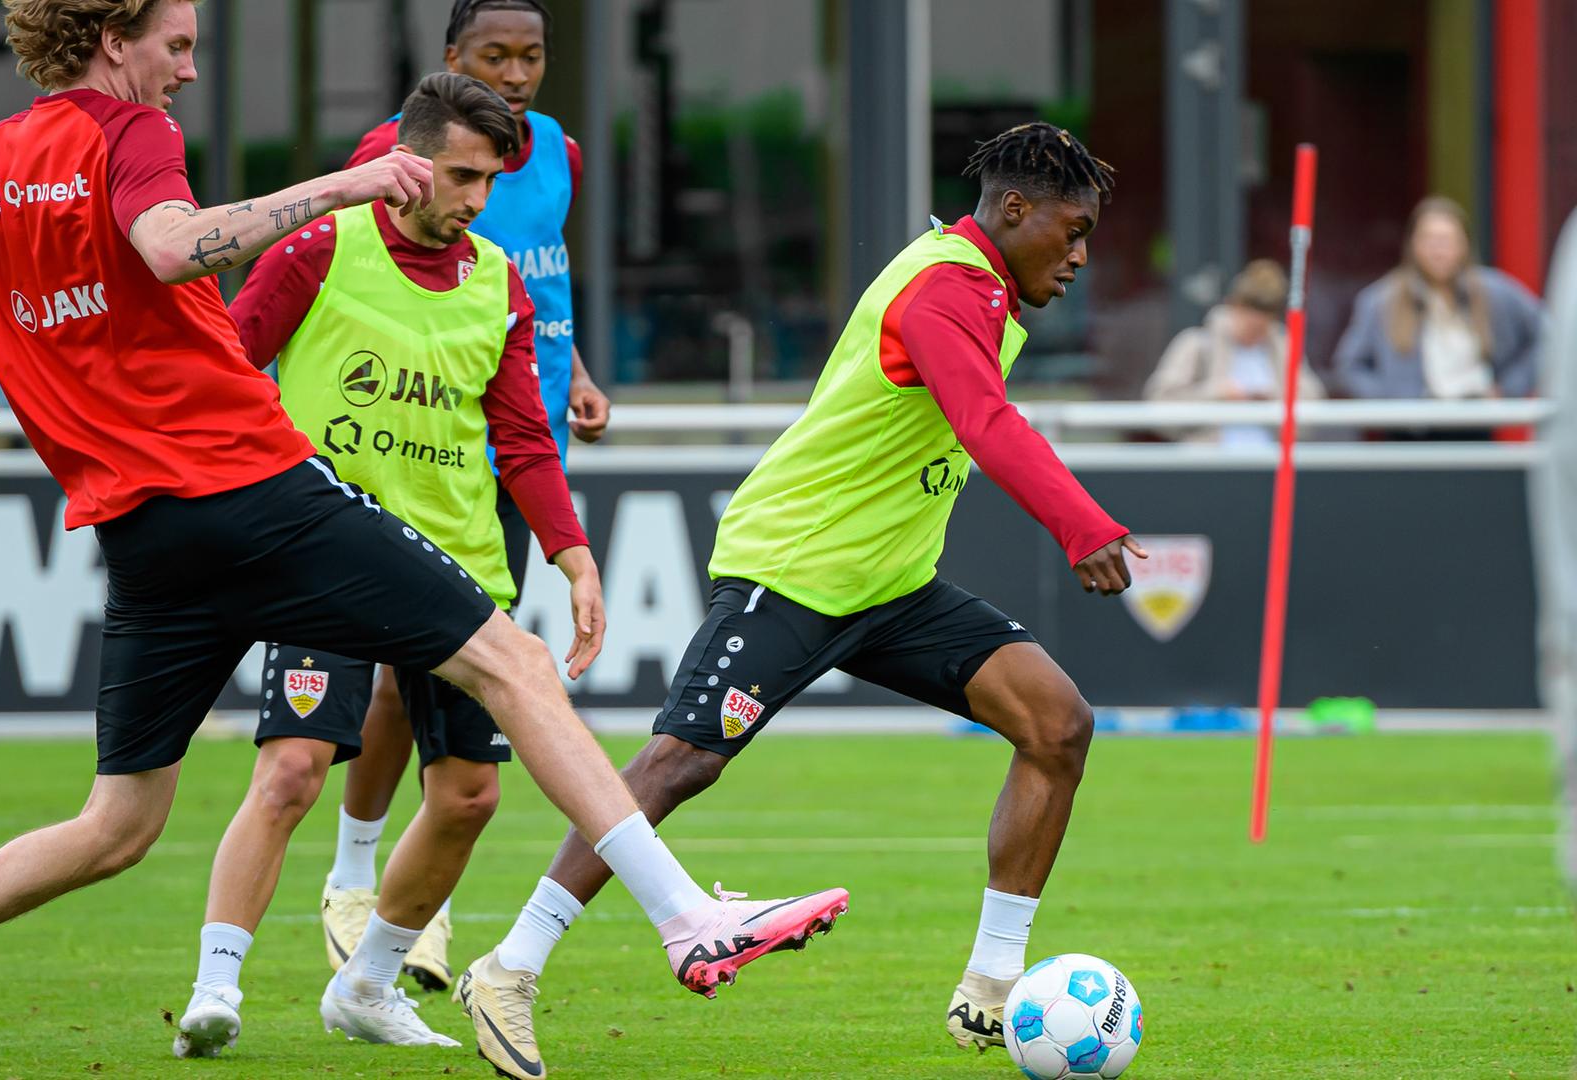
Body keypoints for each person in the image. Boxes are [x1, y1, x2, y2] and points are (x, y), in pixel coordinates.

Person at [0, 4, 844, 1078]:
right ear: (114, 39)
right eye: (179, 45)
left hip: (142, 531)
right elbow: (167, 246)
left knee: (116, 824)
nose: (190, 72)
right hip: (249, 485)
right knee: (513, 664)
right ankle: (682, 920)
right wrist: (343, 183)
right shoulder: (128, 133)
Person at [453, 122, 1145, 1079]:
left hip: (892, 585)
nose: (1078, 259)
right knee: (676, 766)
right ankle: (509, 967)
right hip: (795, 567)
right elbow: (983, 420)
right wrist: (1083, 525)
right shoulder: (944, 287)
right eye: (1070, 233)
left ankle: (990, 989)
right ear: (1013, 209)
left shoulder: (982, 288)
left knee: (1058, 724)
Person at [169, 72, 603, 1056]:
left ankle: (367, 985)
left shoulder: (497, 279)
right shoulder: (320, 246)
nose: (474, 200)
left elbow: (524, 439)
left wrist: (573, 559)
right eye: (459, 175)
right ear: (401, 161)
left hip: (459, 575)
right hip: (329, 558)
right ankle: (216, 988)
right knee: (288, 772)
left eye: (488, 182)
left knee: (470, 797)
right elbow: (230, 366)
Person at [318, 0, 608, 995]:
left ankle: (399, 903)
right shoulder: (398, 149)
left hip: (517, 450)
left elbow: (536, 289)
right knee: (411, 678)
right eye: (496, 55)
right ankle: (360, 877)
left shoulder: (556, 151)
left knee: (455, 693)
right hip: (415, 454)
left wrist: (575, 372)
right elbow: (361, 264)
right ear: (453, 61)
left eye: (532, 55)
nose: (518, 71)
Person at [1333, 196, 1541, 404]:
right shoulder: (1381, 300)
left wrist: (1510, 387)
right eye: (1430, 240)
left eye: (1447, 240)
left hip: (1478, 418)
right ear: (1413, 244)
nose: (1438, 251)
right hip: (1412, 427)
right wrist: (1390, 400)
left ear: (1464, 244)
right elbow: (1349, 366)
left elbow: (1547, 338)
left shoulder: (1496, 292)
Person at [1143, 258, 1324, 444]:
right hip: (1211, 463)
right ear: (1233, 306)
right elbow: (1159, 404)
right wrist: (1216, 394)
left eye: (1261, 329)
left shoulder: (1282, 348)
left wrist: (1271, 398)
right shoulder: (1197, 344)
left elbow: (1311, 402)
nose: (1253, 334)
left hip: (1270, 462)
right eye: (1248, 325)